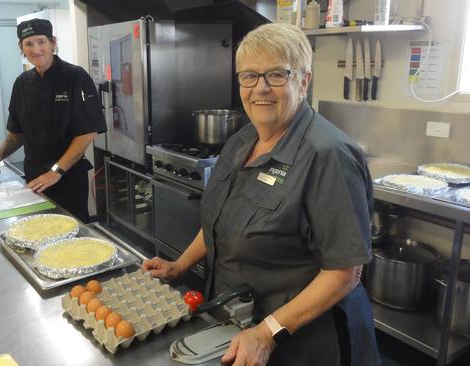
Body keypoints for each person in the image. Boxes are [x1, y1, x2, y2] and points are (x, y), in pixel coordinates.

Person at [142, 23, 379, 366]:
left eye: (277, 75)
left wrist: (268, 333)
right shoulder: (241, 141)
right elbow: (220, 222)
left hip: (306, 343)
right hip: (236, 324)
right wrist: (180, 265)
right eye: (249, 76)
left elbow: (344, 273)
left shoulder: (328, 156)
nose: (261, 88)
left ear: (304, 81)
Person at [0, 18, 106, 223]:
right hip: (33, 174)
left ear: (53, 43)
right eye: (29, 44)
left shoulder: (75, 76)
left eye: (41, 42)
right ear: (21, 48)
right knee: (38, 227)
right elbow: (17, 132)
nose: (36, 49)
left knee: (71, 233)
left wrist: (56, 172)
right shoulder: (22, 83)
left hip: (67, 177)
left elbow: (87, 132)